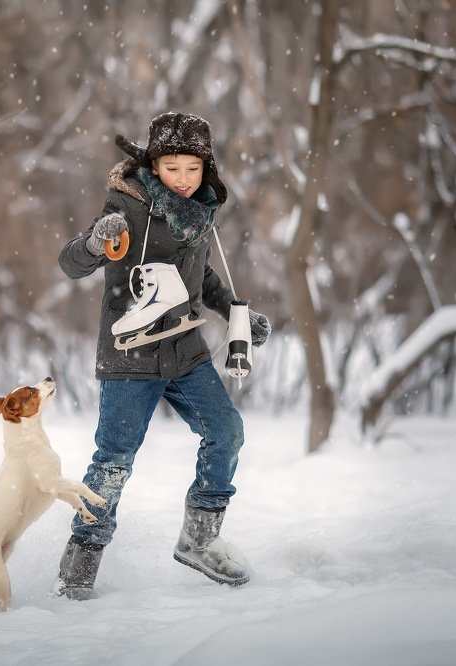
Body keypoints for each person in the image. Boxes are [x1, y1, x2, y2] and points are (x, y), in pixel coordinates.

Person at [55, 111, 271, 599]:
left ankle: (200, 540)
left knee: (227, 432)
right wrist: (94, 241)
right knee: (113, 463)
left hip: (186, 352)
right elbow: (71, 263)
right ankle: (76, 572)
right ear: (154, 164)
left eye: (193, 169)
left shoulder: (201, 212)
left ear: (206, 167)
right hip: (130, 355)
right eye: (172, 168)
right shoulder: (125, 205)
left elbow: (203, 278)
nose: (184, 179)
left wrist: (238, 313)